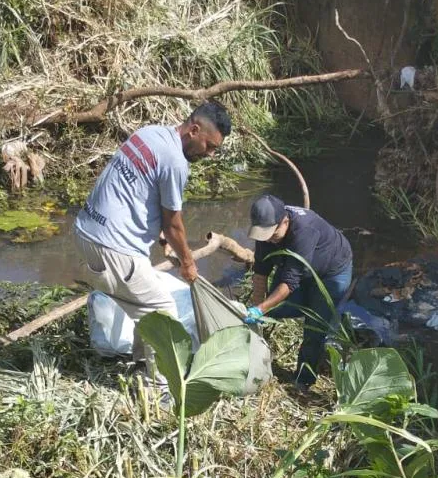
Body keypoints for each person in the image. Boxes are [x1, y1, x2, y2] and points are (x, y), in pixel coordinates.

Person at [74, 100, 231, 375]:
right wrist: (188, 263)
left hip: (86, 233)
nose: (210, 155)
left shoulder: (149, 134)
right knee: (161, 310)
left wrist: (157, 233)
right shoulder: (175, 162)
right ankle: (158, 386)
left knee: (144, 307)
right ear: (194, 130)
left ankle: (140, 366)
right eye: (210, 146)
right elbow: (174, 225)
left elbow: (138, 191)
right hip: (114, 248)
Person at [245, 194, 353, 388]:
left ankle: (303, 380)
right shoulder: (266, 232)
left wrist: (261, 309)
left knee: (314, 328)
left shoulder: (304, 230)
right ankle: (314, 308)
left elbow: (290, 281)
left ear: (284, 222)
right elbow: (261, 272)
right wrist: (257, 305)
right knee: (276, 308)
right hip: (297, 267)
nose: (268, 240)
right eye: (264, 236)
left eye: (272, 235)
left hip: (331, 272)